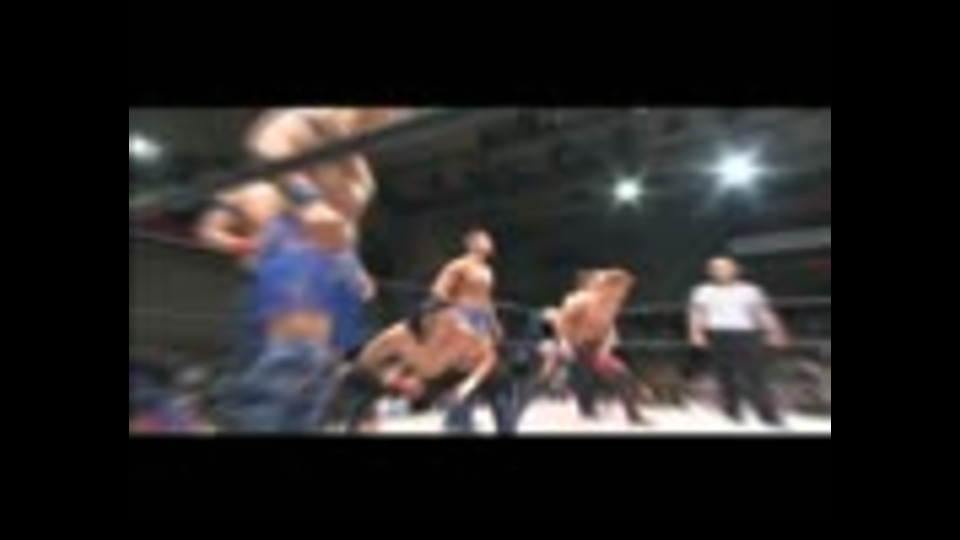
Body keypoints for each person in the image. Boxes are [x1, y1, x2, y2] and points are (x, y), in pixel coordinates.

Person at [196, 108, 397, 432]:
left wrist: (354, 265)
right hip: (287, 269)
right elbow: (268, 142)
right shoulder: (305, 128)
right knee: (289, 365)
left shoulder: (362, 173)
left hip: (333, 278)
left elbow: (345, 226)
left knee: (319, 377)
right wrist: (305, 203)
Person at [688, 256, 789, 426]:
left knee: (754, 374)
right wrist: (696, 333)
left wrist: (775, 331)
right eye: (716, 268)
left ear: (735, 269)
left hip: (746, 333)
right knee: (724, 374)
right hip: (717, 333)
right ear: (710, 272)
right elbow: (697, 313)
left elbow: (762, 312)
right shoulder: (703, 291)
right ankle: (732, 411)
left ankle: (767, 415)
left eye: (725, 267)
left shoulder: (750, 290)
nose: (721, 271)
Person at [426, 228, 504, 433]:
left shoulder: (487, 270)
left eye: (489, 239)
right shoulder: (458, 266)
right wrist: (452, 317)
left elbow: (487, 299)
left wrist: (494, 323)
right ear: (472, 243)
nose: (489, 242)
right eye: (485, 239)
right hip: (462, 316)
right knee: (464, 367)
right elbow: (438, 292)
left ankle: (458, 415)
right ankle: (458, 417)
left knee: (482, 366)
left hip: (481, 319)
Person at [555, 269, 646, 424]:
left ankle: (633, 415)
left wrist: (606, 345)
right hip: (577, 345)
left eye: (625, 289)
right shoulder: (579, 300)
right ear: (609, 286)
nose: (624, 293)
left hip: (596, 346)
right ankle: (586, 408)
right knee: (584, 383)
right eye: (621, 288)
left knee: (622, 374)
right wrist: (565, 343)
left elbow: (609, 326)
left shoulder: (613, 303)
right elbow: (562, 322)